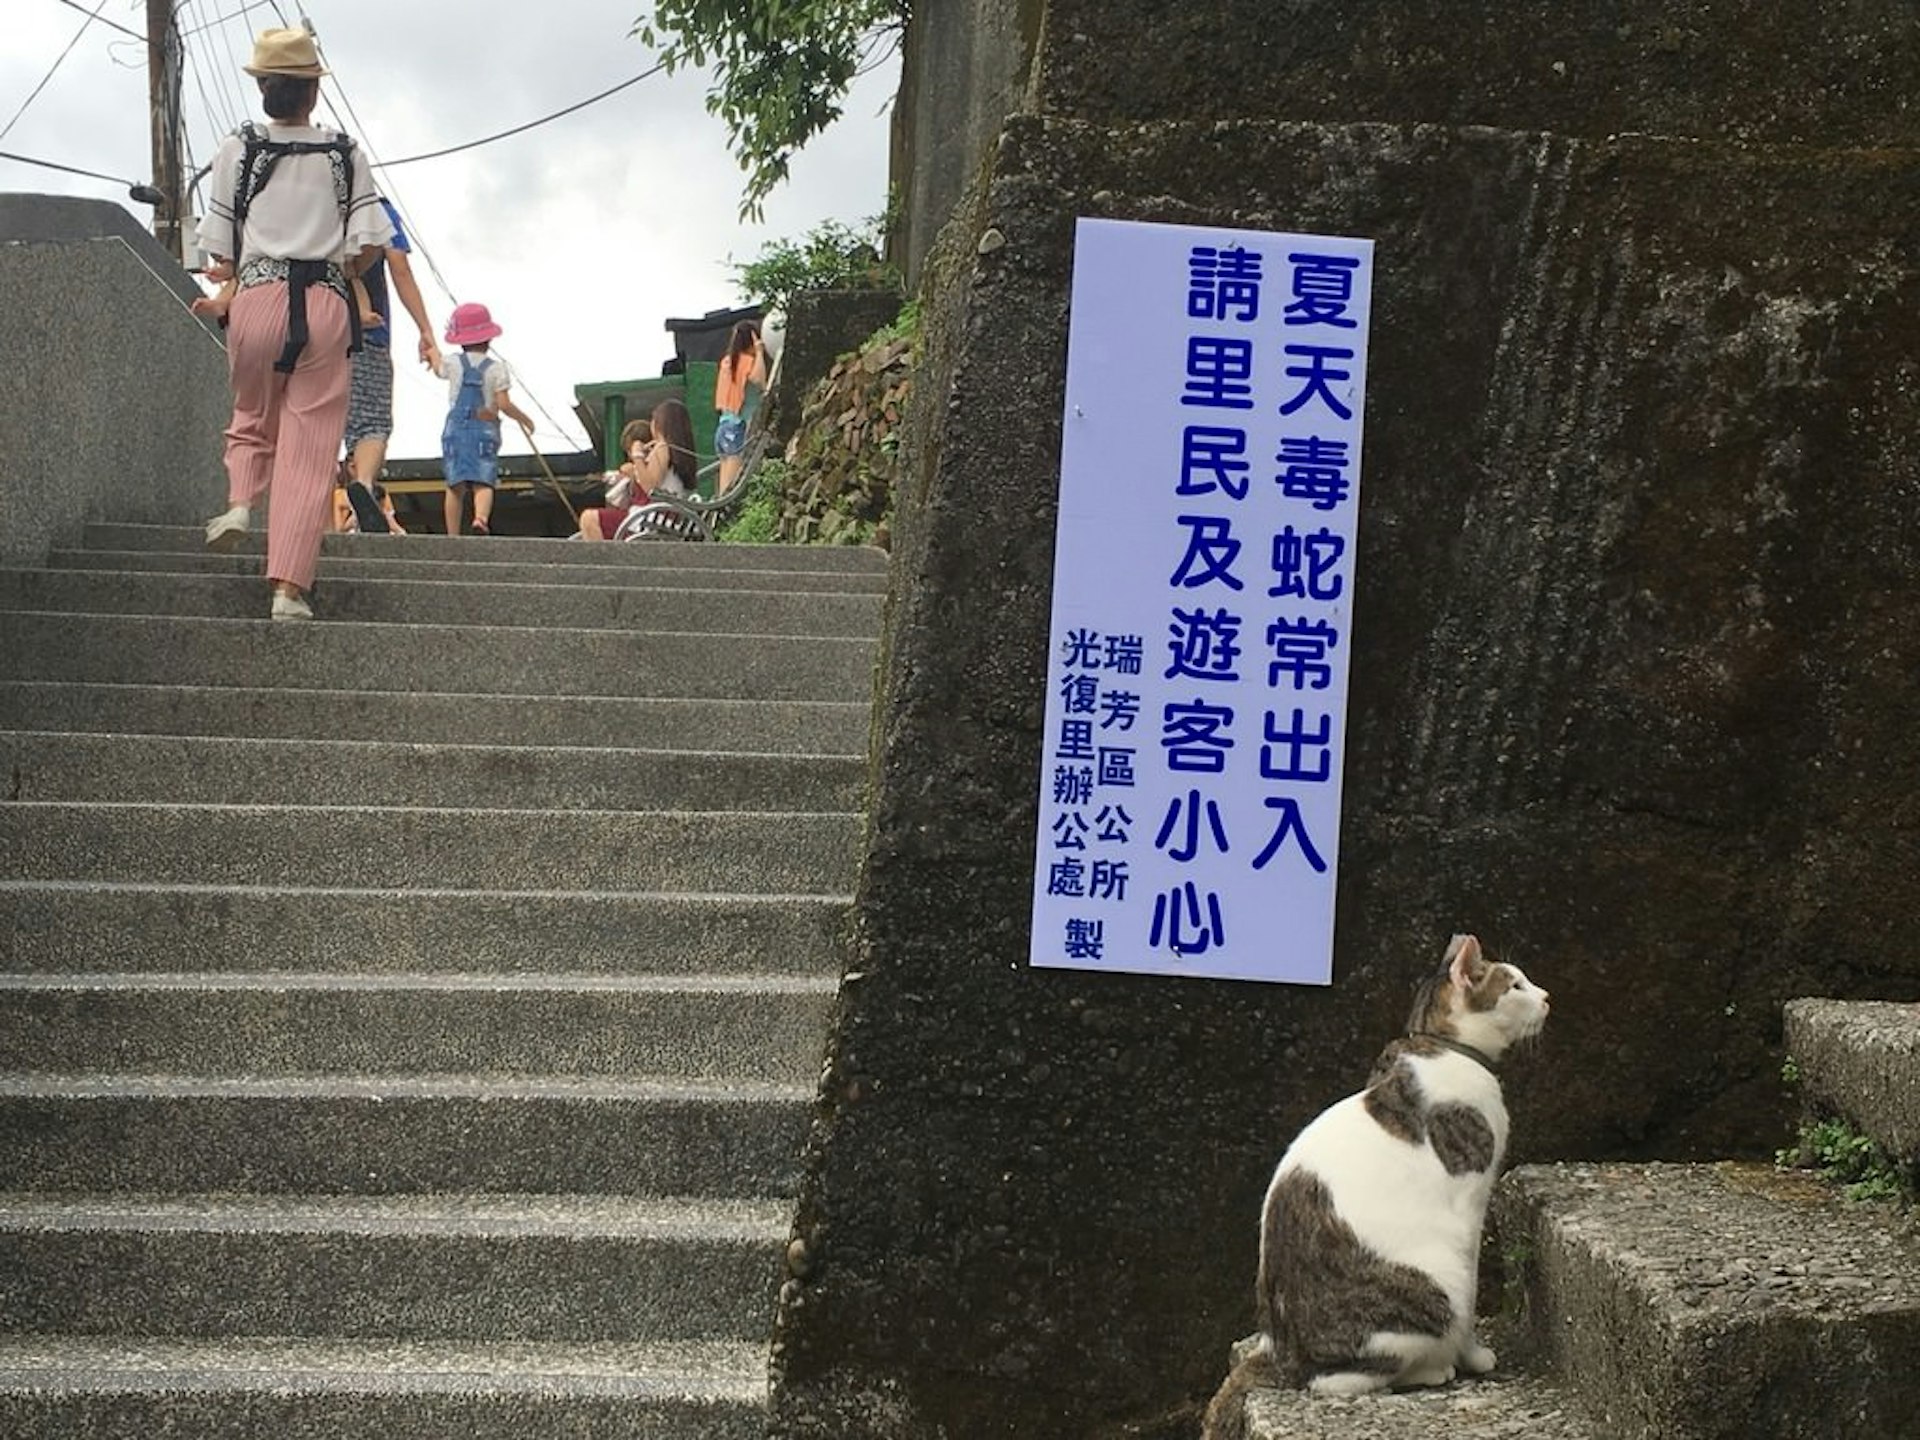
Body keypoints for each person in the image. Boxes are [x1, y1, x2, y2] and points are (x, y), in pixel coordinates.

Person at [193, 27, 387, 621]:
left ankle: (240, 504)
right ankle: (288, 590)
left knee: (251, 413)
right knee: (309, 448)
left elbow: (218, 256)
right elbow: (371, 245)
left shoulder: (238, 147)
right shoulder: (344, 153)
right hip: (326, 301)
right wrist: (336, 263)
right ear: (312, 93)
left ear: (263, 90)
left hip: (256, 295)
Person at [342, 196, 440, 533]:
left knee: (319, 426)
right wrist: (425, 330)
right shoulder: (376, 207)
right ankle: (365, 487)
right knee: (372, 424)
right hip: (367, 335)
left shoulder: (311, 203)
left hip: (309, 333)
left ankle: (319, 519)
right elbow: (400, 267)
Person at [431, 301, 531, 535]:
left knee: (454, 484)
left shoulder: (453, 362)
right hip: (484, 428)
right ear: (489, 339)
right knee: (483, 480)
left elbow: (437, 367)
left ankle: (452, 534)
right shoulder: (497, 369)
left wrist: (430, 351)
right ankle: (480, 519)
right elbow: (504, 404)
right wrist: (524, 419)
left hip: (455, 429)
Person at [576, 398, 698, 540]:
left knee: (588, 519)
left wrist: (638, 456)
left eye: (654, 419)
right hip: (665, 518)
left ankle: (604, 561)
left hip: (651, 519)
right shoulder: (677, 452)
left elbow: (650, 487)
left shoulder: (663, 448)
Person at [712, 320, 767, 497]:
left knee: (723, 488)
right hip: (737, 427)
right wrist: (759, 352)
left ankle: (717, 523)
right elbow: (760, 380)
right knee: (731, 490)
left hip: (723, 427)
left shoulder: (727, 362)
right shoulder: (745, 361)